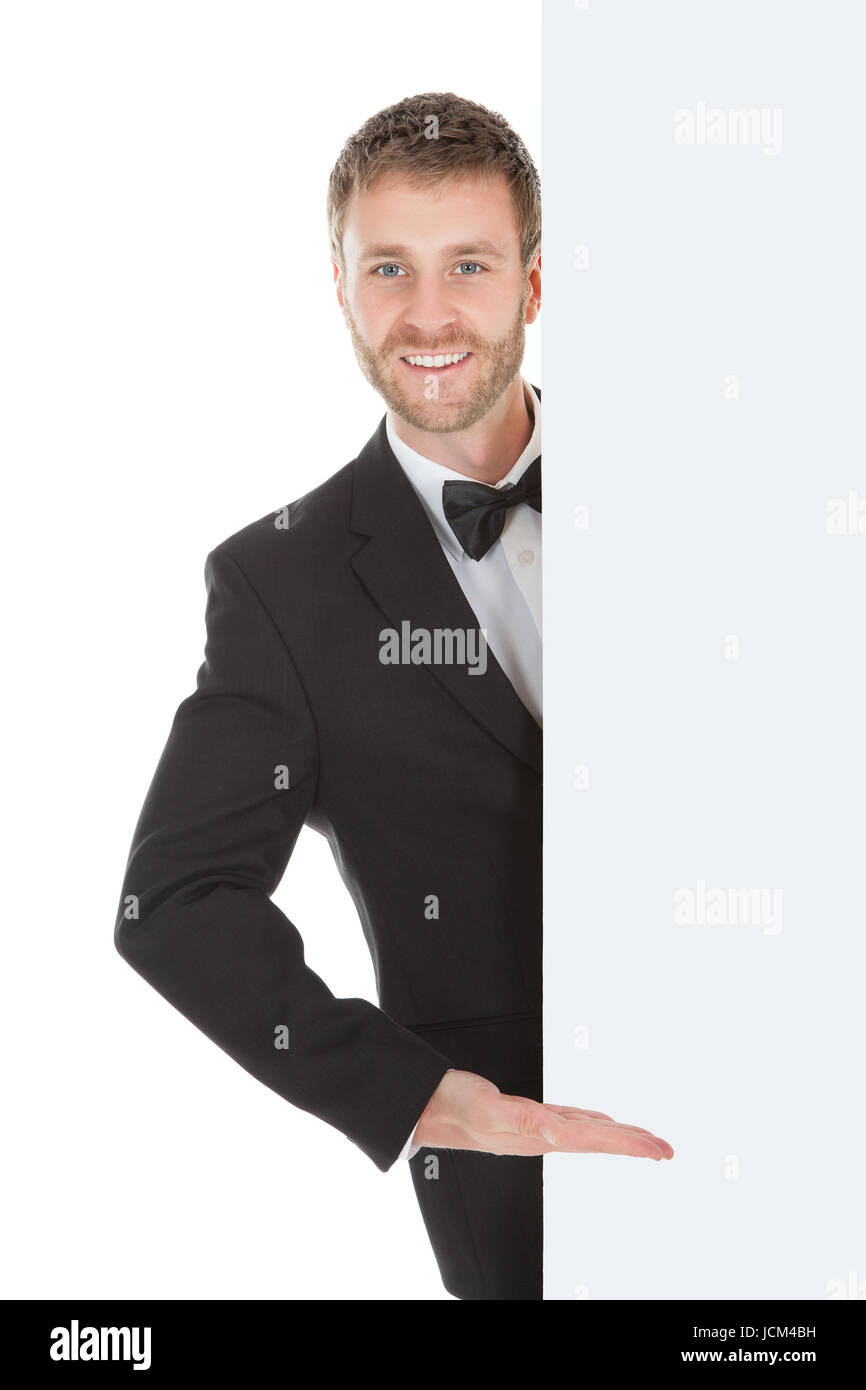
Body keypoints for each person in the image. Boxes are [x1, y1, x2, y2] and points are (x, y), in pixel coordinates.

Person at [114, 91, 673, 1302]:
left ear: (531, 283)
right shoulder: (280, 585)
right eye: (388, 268)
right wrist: (408, 1092)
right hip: (516, 1178)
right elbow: (174, 902)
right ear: (340, 287)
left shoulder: (697, 491)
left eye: (466, 264)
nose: (427, 315)